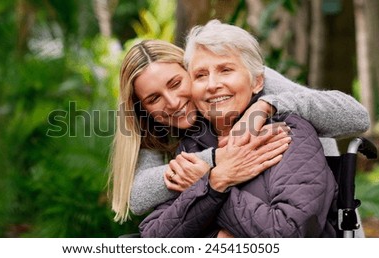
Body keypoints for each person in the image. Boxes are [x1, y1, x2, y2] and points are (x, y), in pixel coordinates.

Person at [109, 36, 369, 226]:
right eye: (154, 98)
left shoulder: (246, 79)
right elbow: (138, 195)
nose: (173, 102)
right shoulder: (170, 131)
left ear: (191, 69)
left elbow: (356, 117)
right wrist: (217, 162)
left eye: (176, 83)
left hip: (321, 215)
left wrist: (267, 105)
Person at [138, 20, 340, 237]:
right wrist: (214, 185)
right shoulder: (193, 145)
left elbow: (288, 234)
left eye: (225, 70)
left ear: (257, 82)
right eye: (200, 75)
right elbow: (152, 238)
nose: (212, 84)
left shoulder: (288, 134)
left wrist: (210, 185)